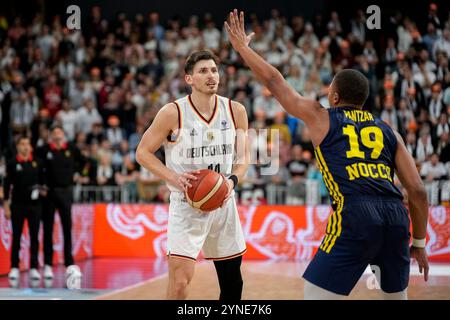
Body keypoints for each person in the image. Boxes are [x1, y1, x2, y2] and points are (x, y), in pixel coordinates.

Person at [225, 10, 429, 300]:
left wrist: (243, 48)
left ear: (334, 97)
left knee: (315, 293)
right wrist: (419, 242)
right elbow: (418, 192)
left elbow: (274, 81)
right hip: (397, 217)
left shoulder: (323, 117)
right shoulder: (388, 131)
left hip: (355, 214)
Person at [136, 50, 249, 300]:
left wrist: (231, 181)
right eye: (203, 71)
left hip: (222, 202)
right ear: (189, 79)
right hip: (186, 205)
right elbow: (142, 153)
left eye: (214, 70)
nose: (211, 76)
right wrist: (173, 177)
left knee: (233, 284)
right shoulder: (172, 112)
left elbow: (243, 160)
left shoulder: (235, 110)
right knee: (179, 284)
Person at [36, 125, 83, 283]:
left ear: (63, 135)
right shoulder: (43, 150)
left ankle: (69, 263)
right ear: (50, 135)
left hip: (65, 192)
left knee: (66, 228)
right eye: (54, 133)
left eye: (59, 133)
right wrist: (40, 184)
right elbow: (36, 167)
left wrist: (79, 174)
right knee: (48, 228)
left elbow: (86, 162)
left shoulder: (71, 149)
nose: (57, 136)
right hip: (49, 193)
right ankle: (48, 264)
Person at [2, 136, 46, 287]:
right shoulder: (12, 164)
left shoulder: (38, 163)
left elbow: (44, 184)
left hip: (35, 206)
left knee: (34, 237)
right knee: (17, 237)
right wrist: (6, 206)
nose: (25, 146)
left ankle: (34, 267)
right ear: (18, 147)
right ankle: (14, 267)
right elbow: (6, 187)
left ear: (31, 147)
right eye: (22, 144)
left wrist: (41, 190)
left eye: (27, 143)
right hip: (18, 206)